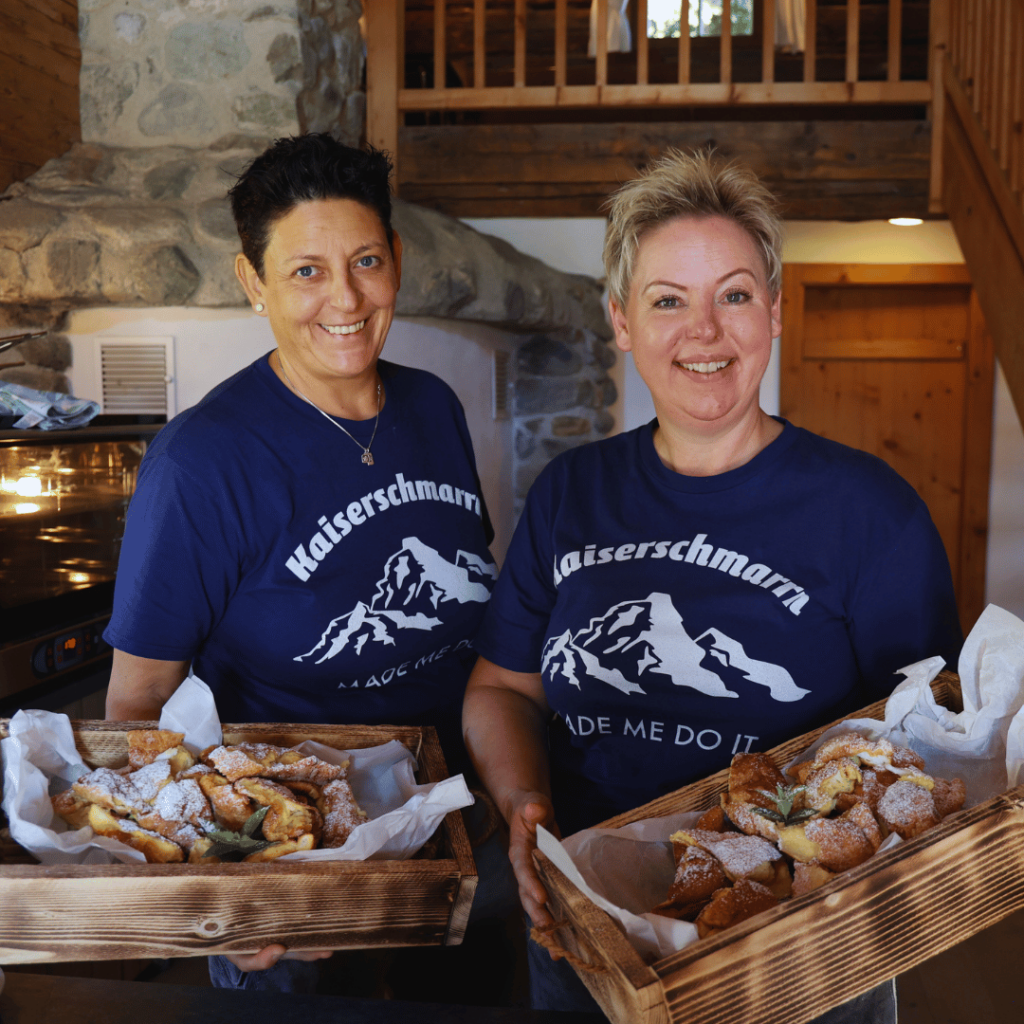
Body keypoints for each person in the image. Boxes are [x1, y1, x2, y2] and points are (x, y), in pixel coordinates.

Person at [462, 148, 963, 1021]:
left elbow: (920, 751)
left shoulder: (868, 510)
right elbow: (502, 686)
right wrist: (522, 803)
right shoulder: (571, 494)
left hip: (802, 947)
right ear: (621, 321)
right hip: (593, 924)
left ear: (773, 312)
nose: (704, 330)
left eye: (733, 294)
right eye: (668, 301)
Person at [103, 133, 510, 991]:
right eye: (306, 271)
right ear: (253, 282)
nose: (346, 298)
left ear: (396, 258)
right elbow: (138, 702)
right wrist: (220, 891)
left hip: (455, 828)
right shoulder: (203, 462)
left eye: (366, 260)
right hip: (303, 863)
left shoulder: (433, 407)